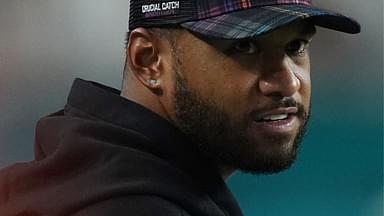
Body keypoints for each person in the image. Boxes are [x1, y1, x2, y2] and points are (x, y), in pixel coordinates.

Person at [0, 0, 360, 215]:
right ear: (149, 60)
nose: (287, 82)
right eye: (245, 47)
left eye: (296, 46)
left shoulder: (83, 181)